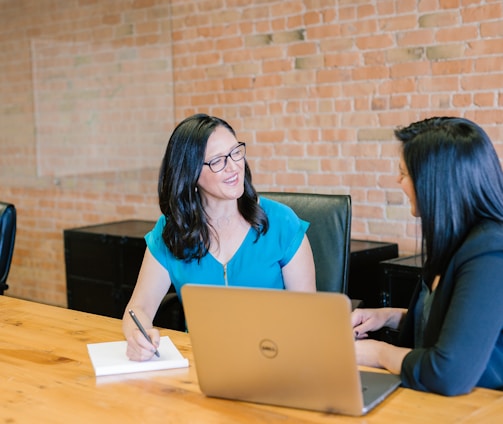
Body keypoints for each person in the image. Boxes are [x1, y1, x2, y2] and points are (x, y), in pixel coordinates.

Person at [123, 113, 316, 361]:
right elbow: (139, 307)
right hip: (201, 365)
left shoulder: (282, 223)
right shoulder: (171, 232)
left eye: (236, 152)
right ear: (190, 174)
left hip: (274, 360)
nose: (234, 166)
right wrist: (137, 337)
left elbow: (309, 316)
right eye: (217, 161)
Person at [351, 116, 503, 395]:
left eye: (404, 173)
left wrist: (379, 354)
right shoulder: (456, 241)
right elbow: (452, 321)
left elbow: (449, 373)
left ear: (435, 183)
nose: (398, 181)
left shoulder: (491, 253)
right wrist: (389, 316)